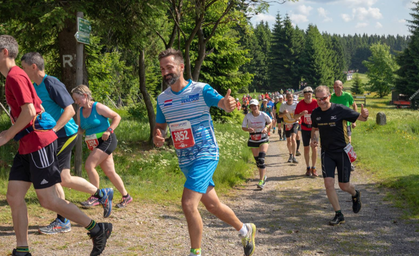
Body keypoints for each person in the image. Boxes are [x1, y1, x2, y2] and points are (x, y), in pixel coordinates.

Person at [0, 35, 111, 256]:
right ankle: (22, 249)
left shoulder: (15, 75)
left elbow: (29, 111)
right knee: (14, 196)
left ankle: (97, 229)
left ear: (4, 52)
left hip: (38, 142)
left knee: (48, 199)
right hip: (26, 144)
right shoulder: (16, 76)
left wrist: (6, 134)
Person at [153, 48, 256, 256]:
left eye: (170, 67)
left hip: (205, 153)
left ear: (181, 67)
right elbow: (161, 126)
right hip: (185, 158)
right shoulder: (162, 99)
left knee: (188, 203)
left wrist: (227, 104)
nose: (166, 72)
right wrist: (158, 135)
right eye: (163, 69)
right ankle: (246, 230)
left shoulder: (201, 90)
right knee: (212, 205)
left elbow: (222, 104)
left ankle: (195, 253)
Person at [21, 52, 114, 234]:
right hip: (54, 136)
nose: (23, 71)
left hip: (63, 134)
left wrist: (54, 131)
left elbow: (70, 111)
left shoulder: (51, 83)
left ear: (33, 67)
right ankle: (101, 194)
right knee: (64, 178)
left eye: (24, 67)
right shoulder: (34, 86)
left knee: (53, 174)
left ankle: (62, 220)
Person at [311, 86, 368, 226]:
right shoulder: (315, 113)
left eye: (323, 98)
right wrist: (314, 139)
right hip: (327, 152)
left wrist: (365, 115)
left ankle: (355, 194)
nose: (321, 101)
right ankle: (339, 214)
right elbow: (314, 128)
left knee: (344, 186)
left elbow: (362, 118)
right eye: (318, 99)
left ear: (329, 96)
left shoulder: (340, 109)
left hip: (342, 151)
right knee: (328, 183)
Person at [71, 85, 133, 209]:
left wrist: (109, 130)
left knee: (89, 165)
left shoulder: (97, 107)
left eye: (78, 99)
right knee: (110, 172)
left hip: (107, 140)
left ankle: (97, 196)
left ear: (85, 95)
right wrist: (69, 129)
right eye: (75, 100)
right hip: (94, 143)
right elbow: (81, 129)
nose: (76, 102)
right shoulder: (80, 111)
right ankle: (126, 196)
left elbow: (117, 117)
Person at [242, 99, 272, 189]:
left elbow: (270, 122)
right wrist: (248, 129)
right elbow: (243, 127)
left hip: (263, 138)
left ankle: (261, 180)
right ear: (250, 107)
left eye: (255, 106)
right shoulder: (248, 116)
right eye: (252, 106)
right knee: (257, 161)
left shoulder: (263, 115)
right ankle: (263, 176)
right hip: (253, 139)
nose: (254, 108)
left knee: (261, 159)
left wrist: (266, 128)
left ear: (258, 106)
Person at [294, 87, 318, 176]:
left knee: (314, 147)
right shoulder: (300, 104)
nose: (308, 96)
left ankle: (314, 168)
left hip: (314, 129)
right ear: (303, 95)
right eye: (306, 94)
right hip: (304, 128)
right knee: (306, 148)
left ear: (312, 94)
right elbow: (295, 116)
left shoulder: (316, 103)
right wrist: (301, 114)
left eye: (309, 94)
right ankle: (308, 167)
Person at [278, 92, 299, 163]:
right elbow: (279, 116)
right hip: (286, 124)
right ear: (286, 98)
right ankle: (290, 154)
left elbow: (300, 113)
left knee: (293, 139)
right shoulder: (283, 105)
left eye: (291, 97)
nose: (290, 99)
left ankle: (294, 156)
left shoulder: (296, 104)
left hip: (294, 123)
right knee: (288, 140)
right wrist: (284, 113)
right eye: (288, 97)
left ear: (293, 98)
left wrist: (299, 117)